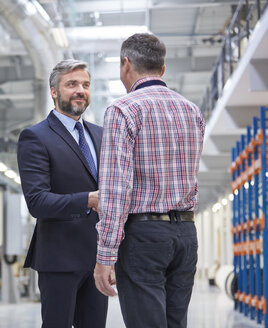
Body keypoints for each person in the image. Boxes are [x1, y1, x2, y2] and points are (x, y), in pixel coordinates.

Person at [93, 33, 205, 328]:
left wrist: (105, 255)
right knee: (175, 322)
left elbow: (117, 190)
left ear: (125, 65)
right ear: (162, 70)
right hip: (186, 234)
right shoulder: (192, 111)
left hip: (143, 236)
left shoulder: (123, 110)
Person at [17, 59, 108, 328]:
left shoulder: (101, 135)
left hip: (97, 260)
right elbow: (37, 202)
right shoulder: (36, 137)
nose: (80, 90)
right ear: (54, 91)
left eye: (85, 84)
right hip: (58, 259)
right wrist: (88, 199)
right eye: (72, 84)